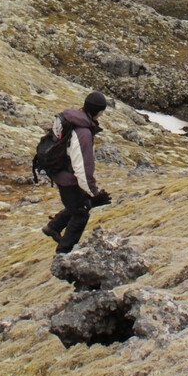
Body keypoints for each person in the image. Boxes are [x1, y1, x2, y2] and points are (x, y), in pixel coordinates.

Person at [41, 91, 111, 254]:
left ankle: (53, 227)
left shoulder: (73, 118)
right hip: (68, 178)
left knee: (80, 204)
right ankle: (63, 253)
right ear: (98, 112)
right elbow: (82, 168)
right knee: (81, 213)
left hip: (60, 172)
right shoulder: (83, 133)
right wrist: (94, 192)